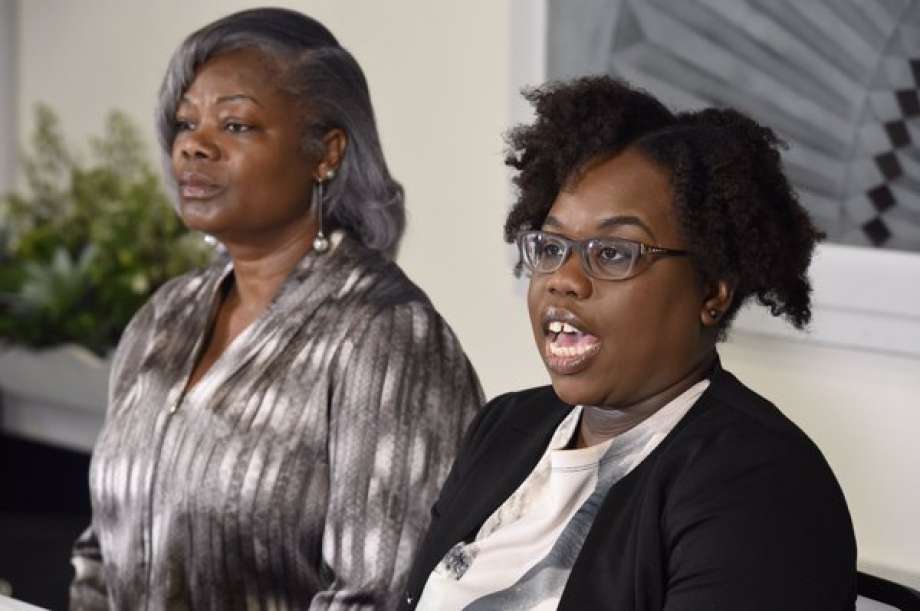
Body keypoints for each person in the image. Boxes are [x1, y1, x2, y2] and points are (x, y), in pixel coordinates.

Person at [69, 8, 482, 610]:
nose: (194, 146)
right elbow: (100, 553)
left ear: (326, 153)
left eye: (235, 125)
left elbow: (380, 597)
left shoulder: (386, 336)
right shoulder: (164, 317)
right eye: (186, 123)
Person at [402, 77, 857, 610]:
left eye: (614, 253)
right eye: (551, 246)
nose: (564, 279)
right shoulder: (505, 427)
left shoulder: (762, 485)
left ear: (711, 292)